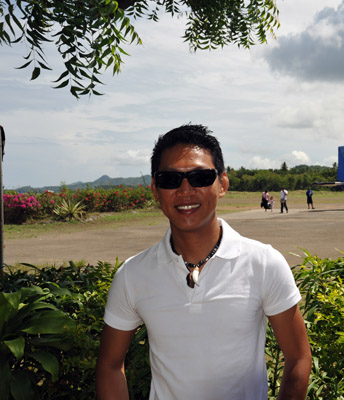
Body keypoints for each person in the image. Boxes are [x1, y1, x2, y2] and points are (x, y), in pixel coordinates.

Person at [96, 124, 311, 400]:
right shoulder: (132, 275)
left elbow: (298, 357)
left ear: (222, 184)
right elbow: (110, 365)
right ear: (155, 188)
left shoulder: (264, 263)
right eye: (170, 179)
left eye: (200, 177)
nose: (185, 190)